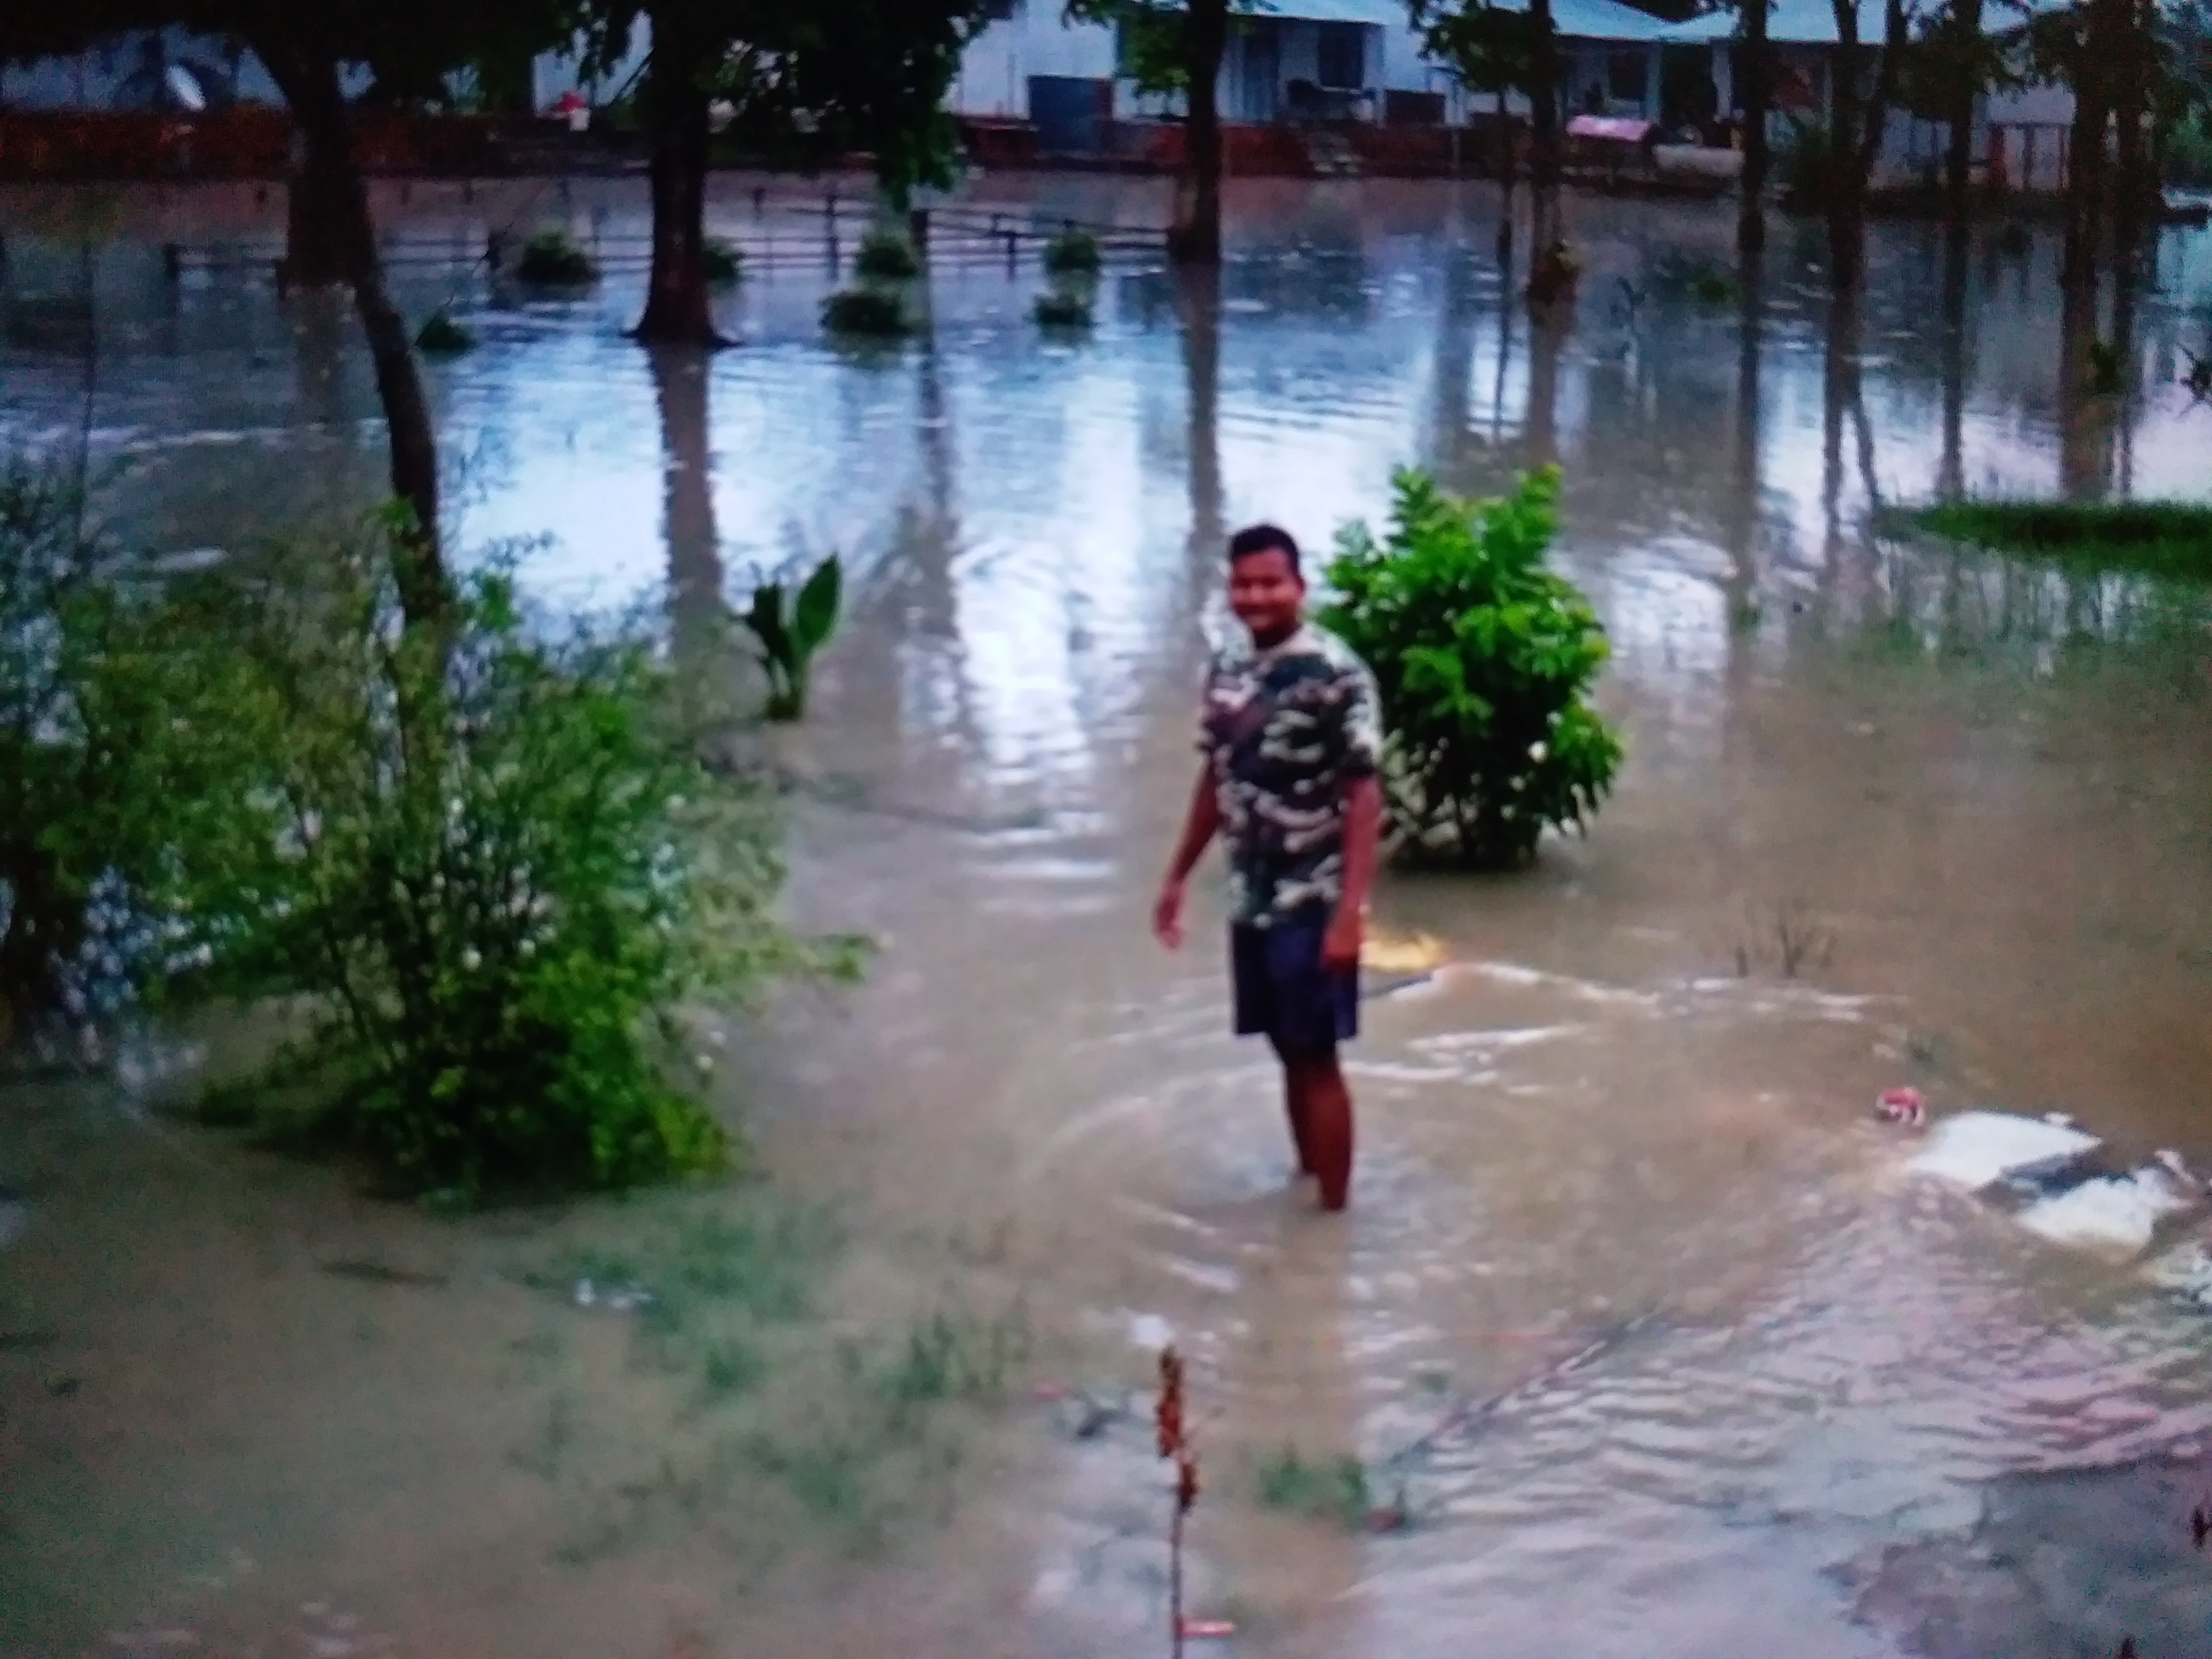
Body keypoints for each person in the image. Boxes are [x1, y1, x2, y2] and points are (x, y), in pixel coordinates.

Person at [1153, 523, 1384, 1213]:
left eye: (1271, 582)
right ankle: (1307, 1182)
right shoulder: (1226, 667)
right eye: (1244, 583)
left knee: (1317, 1057)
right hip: (1251, 894)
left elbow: (1364, 795)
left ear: (1299, 587)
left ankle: (1332, 1224)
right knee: (1286, 1047)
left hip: (1312, 898)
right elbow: (1216, 779)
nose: (1257, 596)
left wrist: (1351, 914)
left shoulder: (1334, 674)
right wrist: (1177, 877)